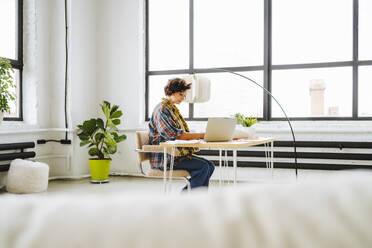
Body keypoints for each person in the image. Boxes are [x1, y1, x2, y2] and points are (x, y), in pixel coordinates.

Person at [148, 78, 215, 190]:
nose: (183, 98)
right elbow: (177, 136)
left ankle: (188, 195)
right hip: (166, 158)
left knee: (210, 165)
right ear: (171, 92)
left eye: (184, 95)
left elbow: (180, 134)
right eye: (181, 95)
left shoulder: (171, 109)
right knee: (203, 167)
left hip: (175, 154)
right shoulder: (162, 110)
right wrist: (202, 135)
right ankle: (192, 199)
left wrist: (198, 137)